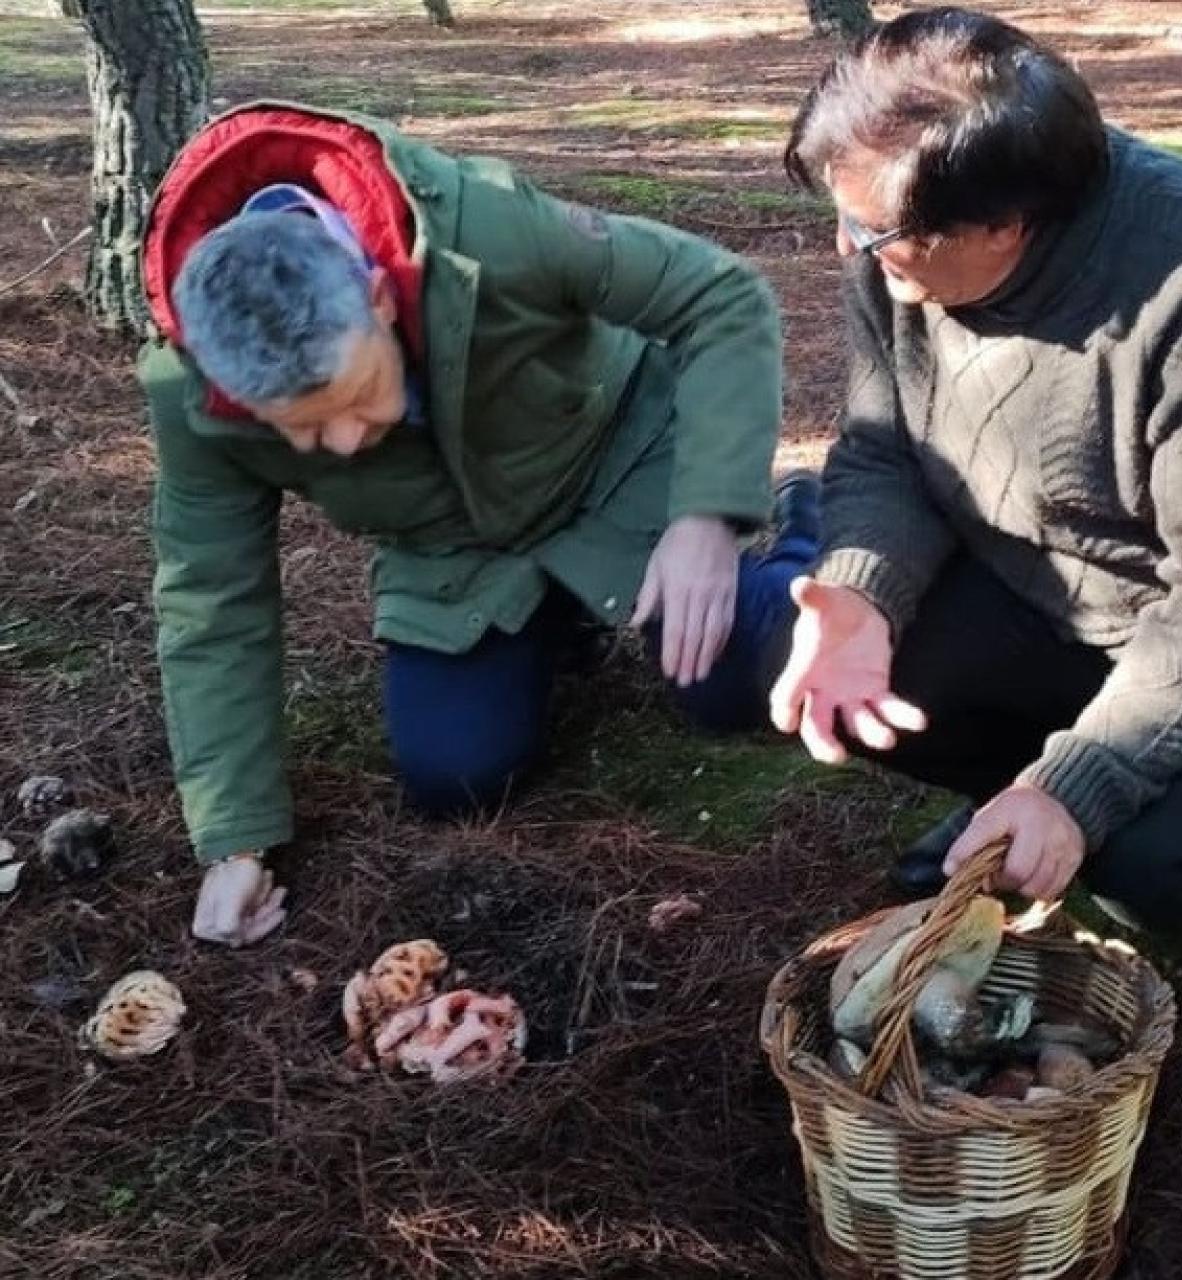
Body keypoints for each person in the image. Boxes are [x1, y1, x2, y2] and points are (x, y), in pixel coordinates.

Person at [768, 8, 1182, 991]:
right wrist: (859, 598)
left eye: (872, 231)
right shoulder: (900, 245)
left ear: (1003, 225)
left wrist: (1079, 788)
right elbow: (885, 447)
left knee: (1150, 871)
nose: (849, 250)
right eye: (845, 217)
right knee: (853, 684)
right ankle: (1012, 797)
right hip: (1040, 563)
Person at [140, 102, 814, 947]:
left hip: (611, 463)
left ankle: (805, 524)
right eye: (301, 430)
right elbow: (212, 597)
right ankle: (557, 621)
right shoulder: (191, 393)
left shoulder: (480, 231)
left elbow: (720, 295)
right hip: (460, 551)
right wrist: (234, 837)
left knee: (730, 684)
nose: (342, 442)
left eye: (355, 397)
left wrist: (706, 518)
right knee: (455, 774)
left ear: (379, 299)